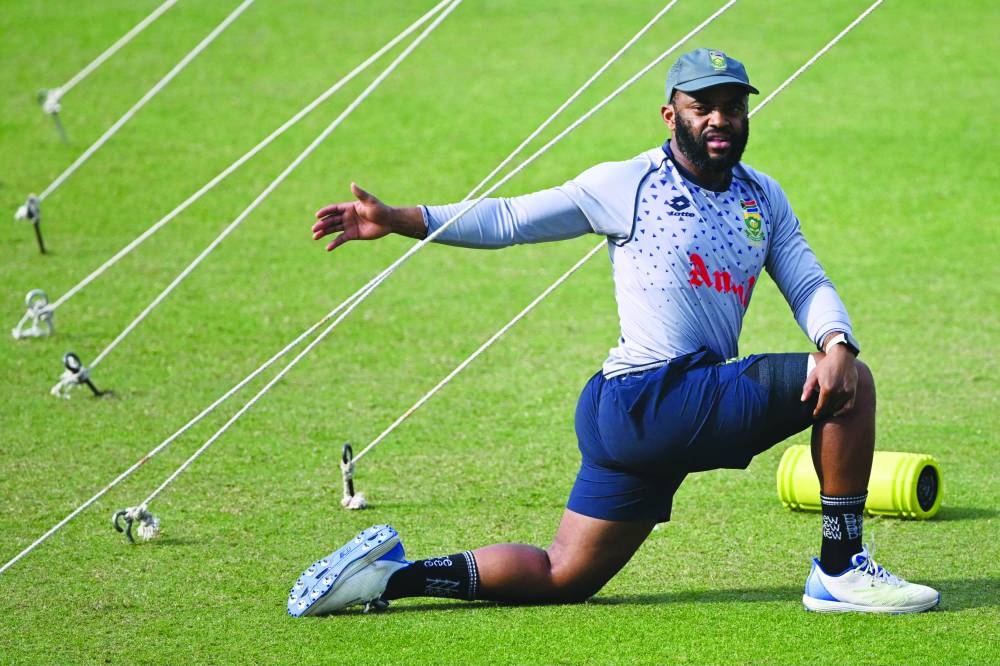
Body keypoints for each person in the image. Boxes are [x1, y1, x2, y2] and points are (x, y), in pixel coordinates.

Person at [288, 48, 939, 616]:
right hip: (649, 395)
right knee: (852, 387)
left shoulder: (761, 198)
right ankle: (839, 567)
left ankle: (385, 578)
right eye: (702, 106)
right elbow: (512, 218)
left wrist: (835, 340)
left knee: (562, 574)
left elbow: (805, 280)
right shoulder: (628, 183)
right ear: (670, 115)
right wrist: (400, 218)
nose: (720, 119)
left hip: (642, 415)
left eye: (733, 107)